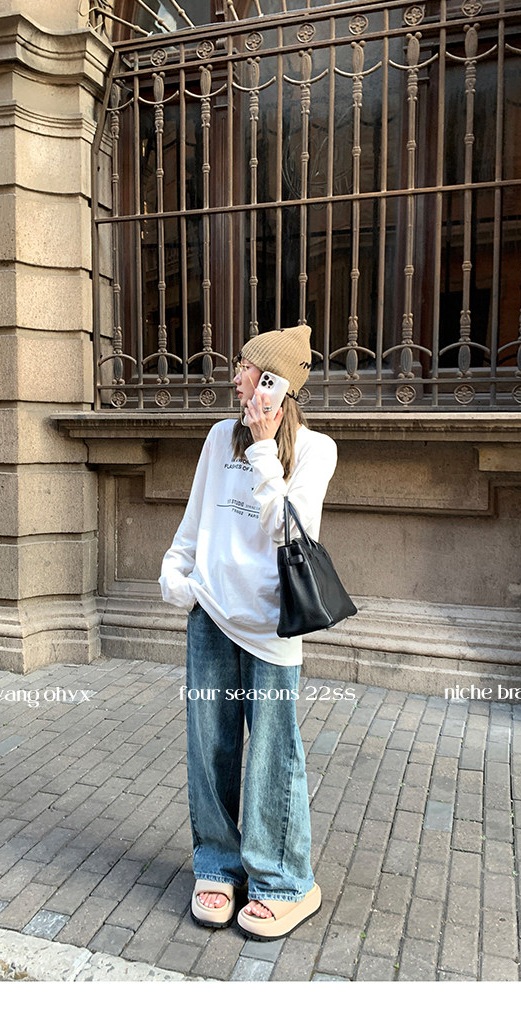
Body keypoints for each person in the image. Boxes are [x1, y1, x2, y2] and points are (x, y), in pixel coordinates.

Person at [158, 324, 338, 940]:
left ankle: (285, 883)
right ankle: (218, 865)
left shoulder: (316, 450)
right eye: (239, 367)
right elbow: (196, 518)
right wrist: (178, 574)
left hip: (271, 627)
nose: (236, 379)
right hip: (210, 615)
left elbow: (290, 533)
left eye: (248, 370)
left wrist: (264, 449)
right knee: (209, 747)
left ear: (276, 386)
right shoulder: (218, 438)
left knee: (272, 754)